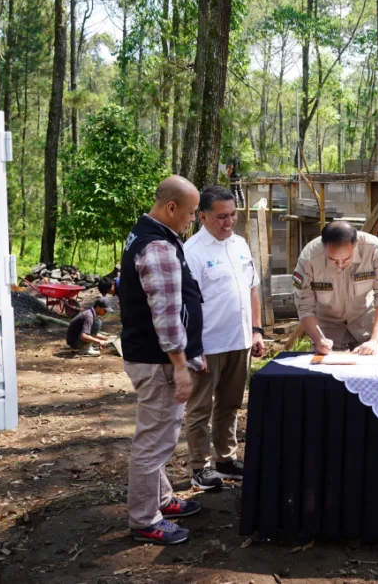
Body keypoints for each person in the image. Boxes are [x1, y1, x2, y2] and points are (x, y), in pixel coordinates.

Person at [117, 175, 206, 546]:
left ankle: (162, 498)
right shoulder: (157, 247)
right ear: (171, 207)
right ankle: (143, 519)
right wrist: (181, 365)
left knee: (159, 435)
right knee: (153, 442)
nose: (192, 220)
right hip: (158, 361)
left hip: (152, 357)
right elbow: (166, 316)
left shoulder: (147, 234)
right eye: (189, 213)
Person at [183, 186, 268, 492]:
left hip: (241, 340)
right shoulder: (192, 252)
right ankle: (200, 466)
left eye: (233, 215)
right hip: (208, 345)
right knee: (200, 407)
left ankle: (225, 459)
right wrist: (193, 349)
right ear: (202, 216)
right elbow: (185, 306)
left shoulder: (241, 245)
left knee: (230, 404)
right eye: (221, 217)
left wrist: (257, 330)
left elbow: (252, 289)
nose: (229, 222)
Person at [293, 220, 378, 354]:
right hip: (327, 335)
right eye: (333, 260)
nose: (340, 265)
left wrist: (375, 340)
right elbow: (305, 306)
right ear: (324, 247)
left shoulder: (373, 250)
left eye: (346, 259)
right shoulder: (309, 259)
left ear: (356, 245)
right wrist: (318, 339)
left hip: (366, 331)